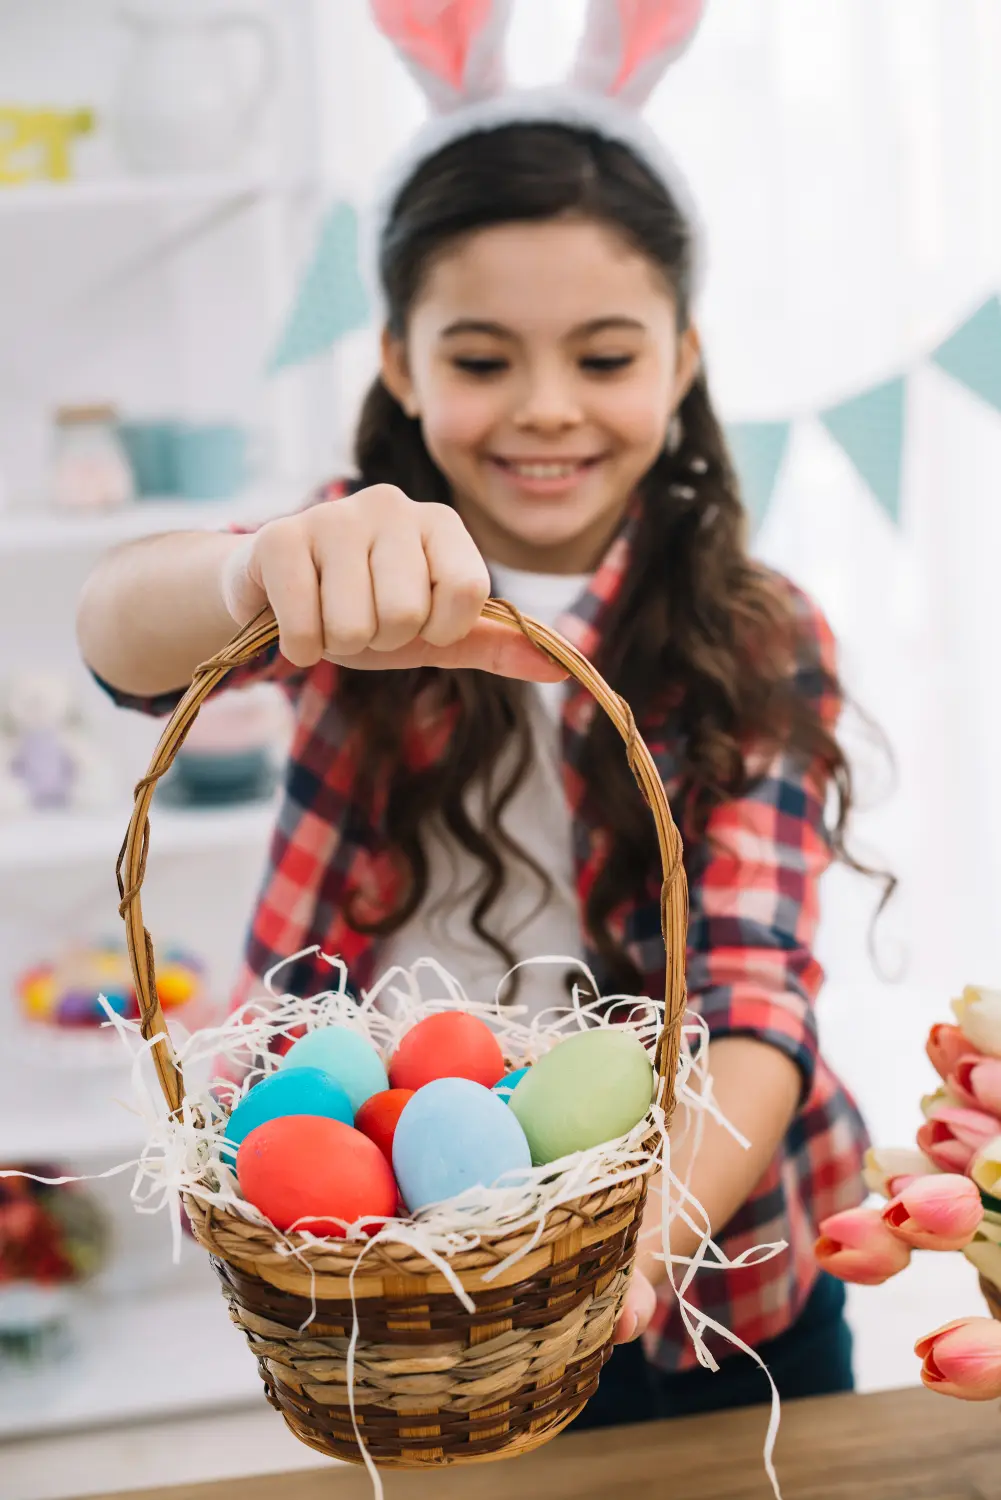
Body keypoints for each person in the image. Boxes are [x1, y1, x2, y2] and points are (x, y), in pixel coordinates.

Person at [77, 0, 875, 1427]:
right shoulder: (354, 560)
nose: (548, 410)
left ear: (684, 361)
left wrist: (645, 1235)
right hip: (399, 1285)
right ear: (399, 360)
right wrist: (249, 569)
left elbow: (754, 999)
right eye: (484, 357)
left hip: (709, 1297)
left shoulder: (754, 632)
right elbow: (122, 645)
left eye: (608, 355)